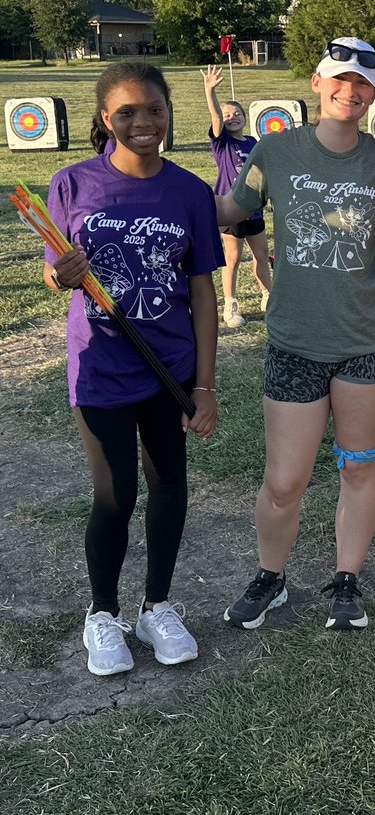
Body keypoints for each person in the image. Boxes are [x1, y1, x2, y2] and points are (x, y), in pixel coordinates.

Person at [215, 37, 375, 632]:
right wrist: (163, 191)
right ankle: (271, 577)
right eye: (339, 79)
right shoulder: (275, 151)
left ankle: (347, 580)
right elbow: (232, 212)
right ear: (316, 81)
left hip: (371, 343)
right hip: (295, 342)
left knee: (358, 468)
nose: (349, 92)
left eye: (363, 84)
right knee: (284, 482)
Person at [44, 62, 223, 676]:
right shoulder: (70, 184)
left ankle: (157, 606)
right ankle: (103, 614)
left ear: (170, 110)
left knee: (170, 483)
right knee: (116, 494)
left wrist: (204, 384)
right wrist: (60, 273)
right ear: (104, 119)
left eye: (154, 109)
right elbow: (53, 267)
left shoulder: (191, 192)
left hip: (168, 369)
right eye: (127, 113)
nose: (144, 122)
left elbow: (202, 290)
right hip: (101, 371)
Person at [201, 64, 272, 327]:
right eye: (228, 114)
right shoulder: (222, 142)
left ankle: (268, 296)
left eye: (237, 113)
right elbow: (217, 118)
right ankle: (230, 306)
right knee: (232, 258)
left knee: (262, 254)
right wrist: (210, 92)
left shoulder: (253, 142)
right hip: (231, 208)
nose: (232, 117)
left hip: (254, 209)